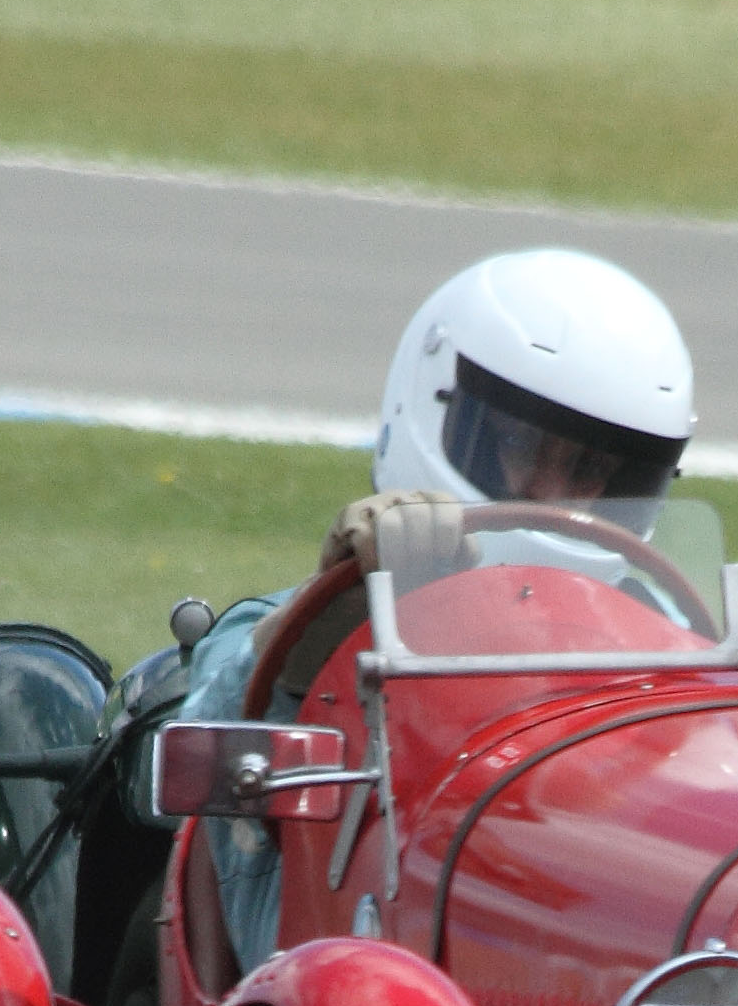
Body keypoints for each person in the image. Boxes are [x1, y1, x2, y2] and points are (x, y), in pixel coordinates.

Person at [170, 248, 699, 968]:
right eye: (522, 446)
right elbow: (184, 754)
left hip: (560, 947)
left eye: (589, 469)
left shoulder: (654, 634)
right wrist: (342, 605)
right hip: (342, 962)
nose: (551, 492)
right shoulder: (287, 623)